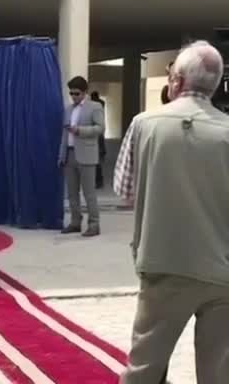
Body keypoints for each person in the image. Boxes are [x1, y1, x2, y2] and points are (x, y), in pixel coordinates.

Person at [114, 40, 229, 384]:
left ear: (176, 80)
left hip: (163, 265)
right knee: (218, 372)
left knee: (145, 368)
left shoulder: (144, 124)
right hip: (222, 270)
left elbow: (125, 192)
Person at [59, 76, 105, 237]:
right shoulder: (68, 109)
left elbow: (100, 128)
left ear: (85, 92)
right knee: (72, 193)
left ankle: (94, 224)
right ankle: (75, 222)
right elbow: (64, 134)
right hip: (69, 154)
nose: (74, 96)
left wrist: (79, 130)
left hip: (87, 154)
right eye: (71, 93)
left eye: (77, 93)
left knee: (89, 193)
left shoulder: (95, 107)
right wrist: (61, 155)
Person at [90, 91, 107, 188]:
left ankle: (98, 181)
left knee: (96, 161)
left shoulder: (93, 105)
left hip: (94, 132)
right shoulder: (101, 103)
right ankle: (99, 181)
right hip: (97, 131)